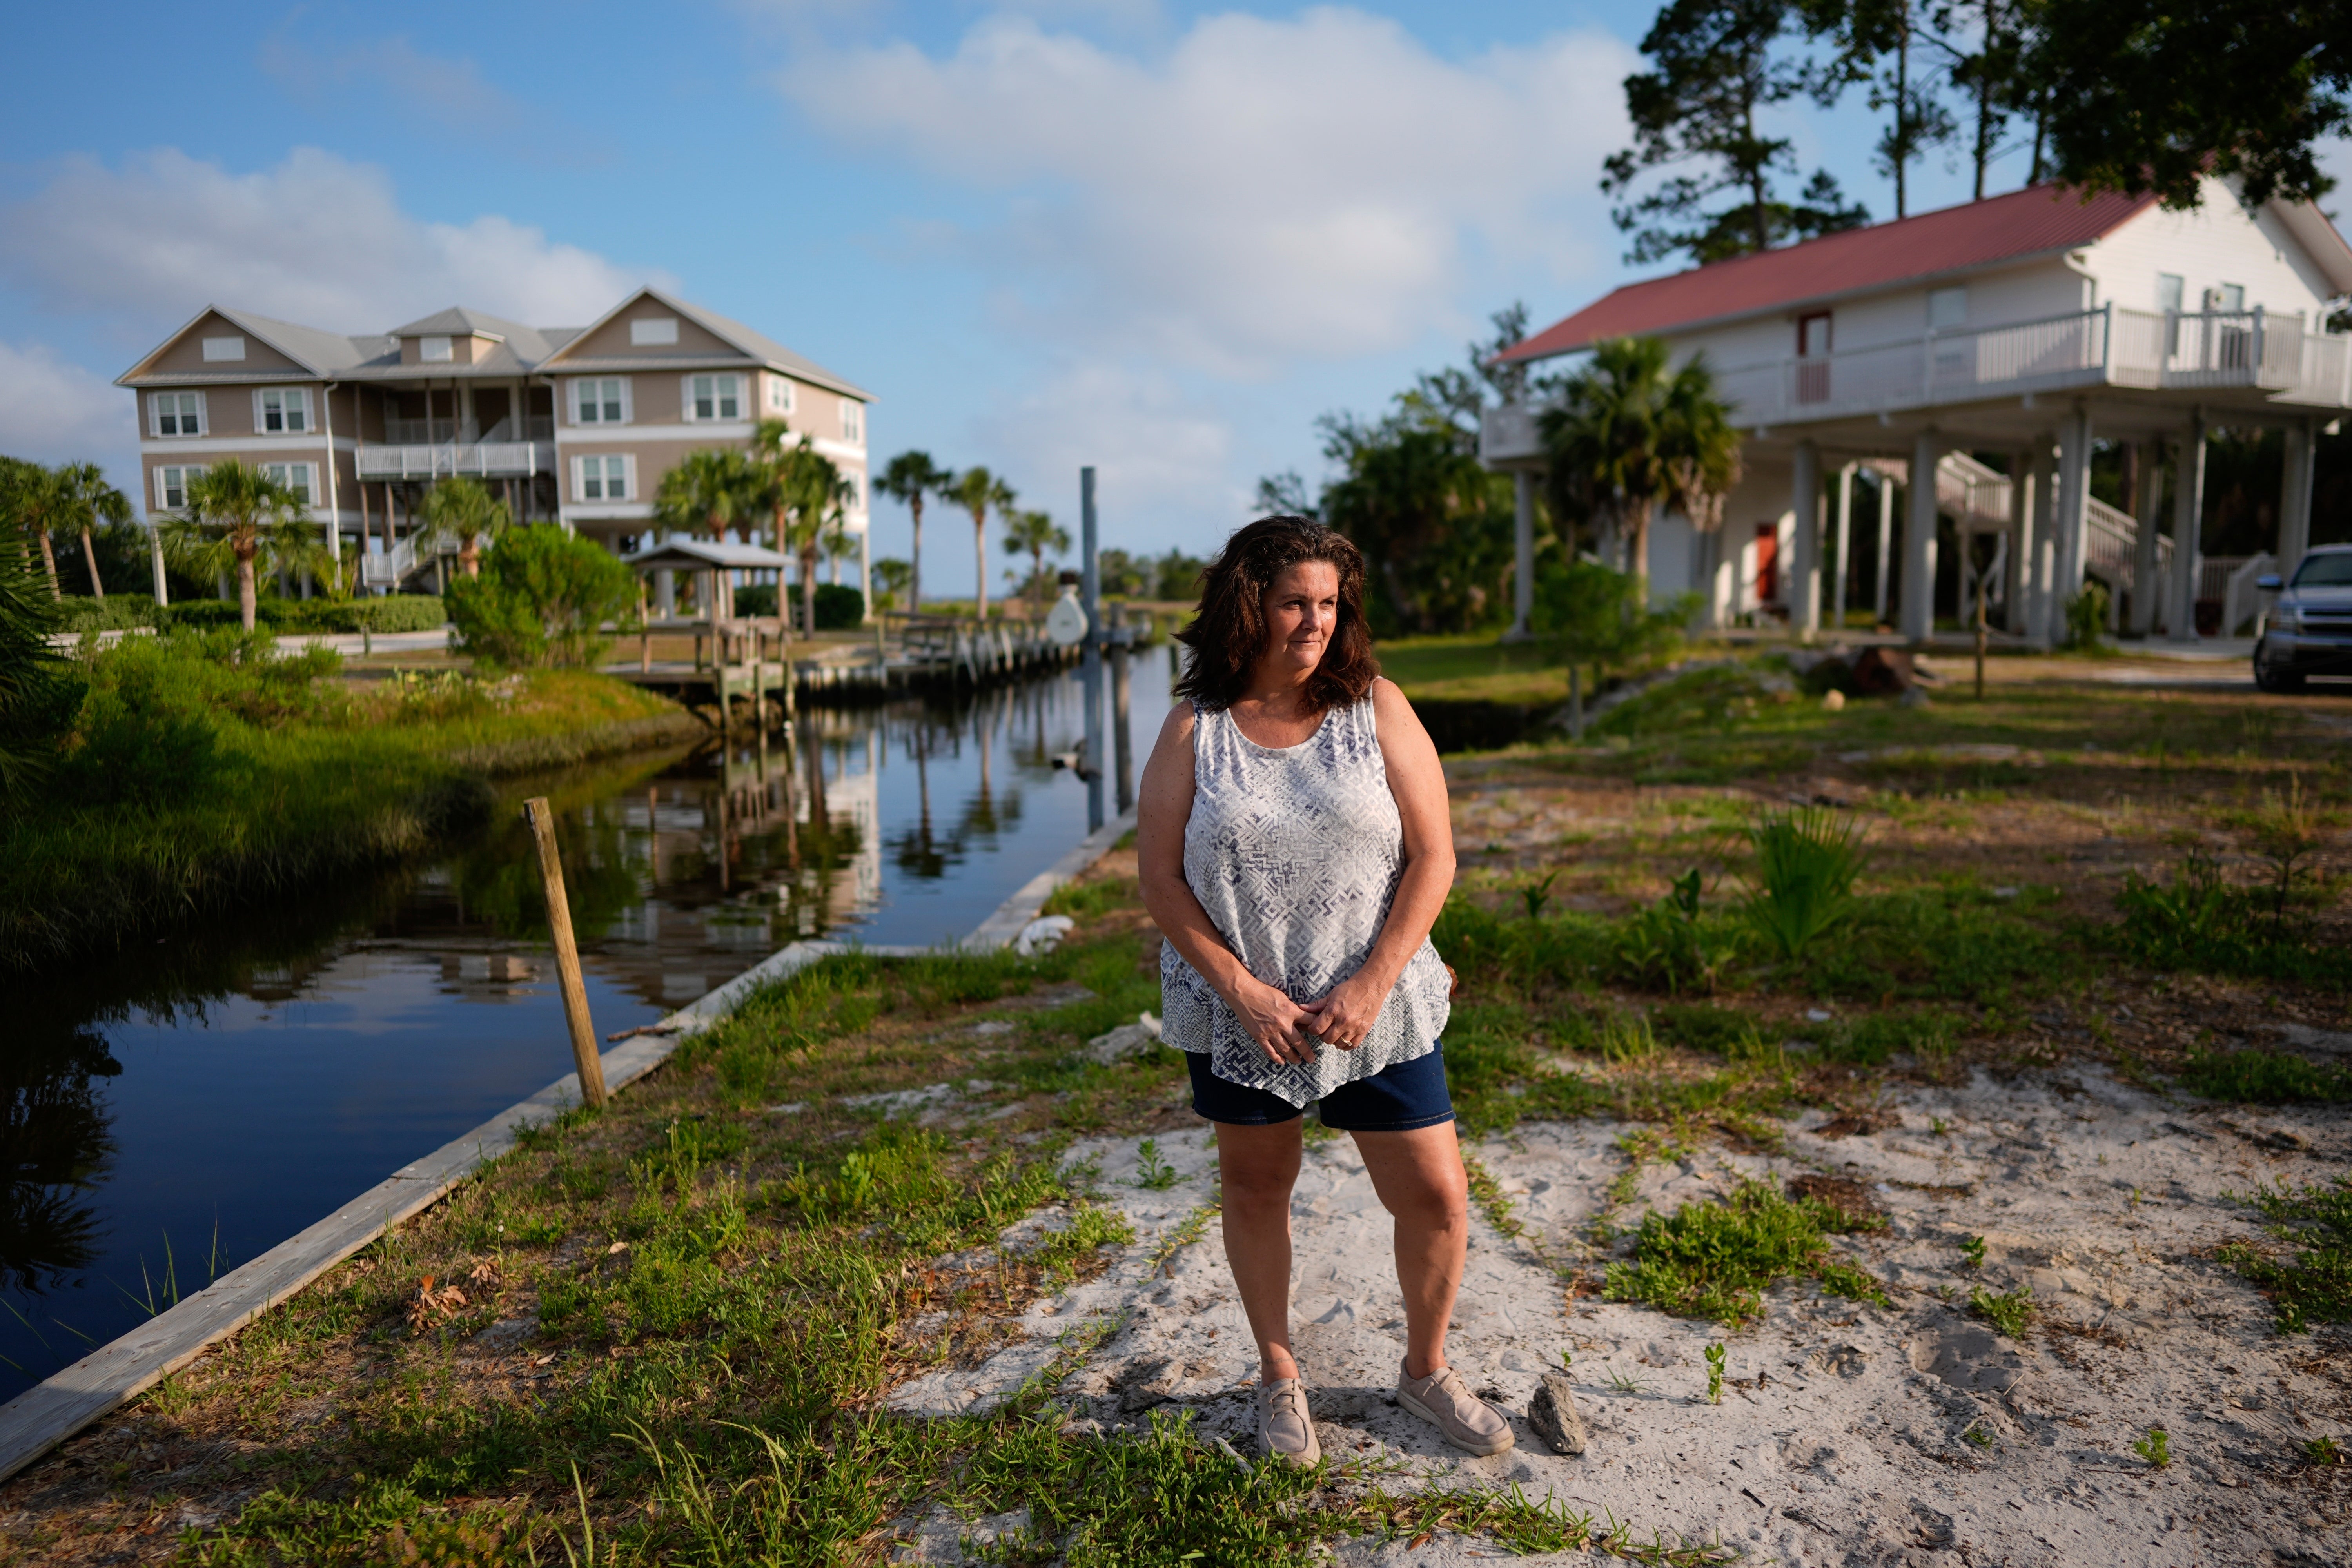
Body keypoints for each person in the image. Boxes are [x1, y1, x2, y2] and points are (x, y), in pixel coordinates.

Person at [1136, 515, 1510, 1468]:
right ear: (1248, 602)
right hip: (1247, 1015)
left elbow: (1436, 856)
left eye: (1330, 603)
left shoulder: (1375, 706)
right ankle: (1279, 1377)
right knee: (1258, 1185)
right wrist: (1245, 993)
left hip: (1376, 1005)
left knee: (1435, 1191)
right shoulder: (1196, 726)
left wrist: (1375, 979)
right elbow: (1162, 879)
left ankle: (1425, 1370)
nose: (1314, 622)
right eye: (1295, 601)